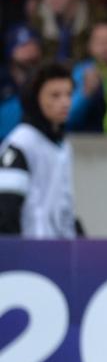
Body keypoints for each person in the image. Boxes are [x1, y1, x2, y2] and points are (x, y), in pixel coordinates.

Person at [0, 63, 76, 237]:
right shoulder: (20, 143)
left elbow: (64, 209)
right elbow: (5, 210)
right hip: (28, 255)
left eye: (69, 94)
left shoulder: (63, 146)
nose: (65, 102)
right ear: (35, 98)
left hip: (58, 254)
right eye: (55, 95)